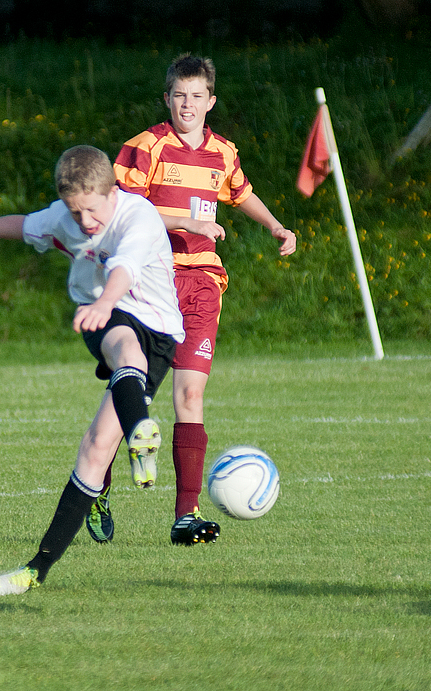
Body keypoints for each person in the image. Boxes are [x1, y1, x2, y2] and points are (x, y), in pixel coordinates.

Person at [0, 145, 185, 595]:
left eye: (91, 210)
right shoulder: (65, 218)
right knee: (123, 347)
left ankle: (135, 438)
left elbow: (124, 268)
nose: (84, 222)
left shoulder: (138, 217)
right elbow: (25, 225)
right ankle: (140, 433)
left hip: (158, 328)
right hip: (102, 316)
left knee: (95, 447)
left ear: (112, 192)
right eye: (75, 211)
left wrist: (107, 299)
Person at [84, 53, 296, 547]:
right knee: (132, 395)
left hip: (201, 284)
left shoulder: (223, 151)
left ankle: (185, 514)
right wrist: (189, 223)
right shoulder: (145, 147)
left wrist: (275, 226)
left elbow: (240, 193)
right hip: (149, 283)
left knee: (190, 395)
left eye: (197, 96)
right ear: (167, 99)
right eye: (179, 95)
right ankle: (98, 483)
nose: (187, 104)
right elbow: (123, 215)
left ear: (211, 101)